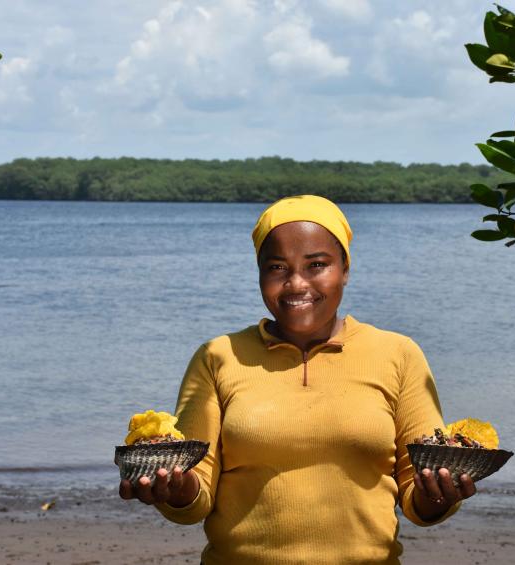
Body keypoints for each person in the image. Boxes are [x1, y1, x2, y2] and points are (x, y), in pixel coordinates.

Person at [120, 195, 476, 564]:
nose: (296, 284)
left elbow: (417, 493)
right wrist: (174, 488)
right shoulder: (218, 357)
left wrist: (441, 494)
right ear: (259, 274)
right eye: (277, 268)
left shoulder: (398, 355)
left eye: (316, 265)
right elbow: (197, 495)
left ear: (345, 269)